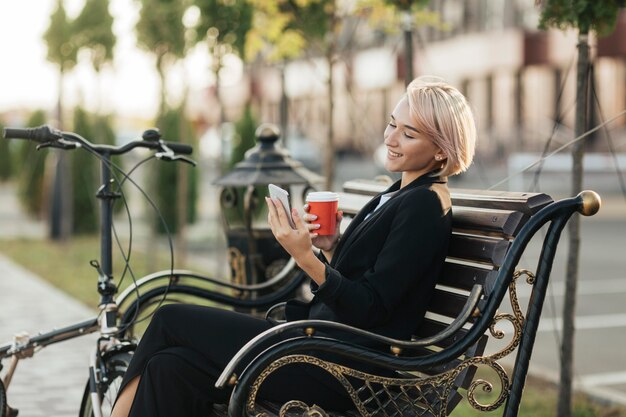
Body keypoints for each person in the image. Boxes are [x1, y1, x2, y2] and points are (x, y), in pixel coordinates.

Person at [110, 76, 477, 417]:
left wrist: (304, 257)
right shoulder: (402, 193)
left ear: (441, 151)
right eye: (392, 123)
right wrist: (330, 248)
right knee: (169, 367)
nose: (391, 138)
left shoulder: (425, 204)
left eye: (408, 134)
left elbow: (372, 309)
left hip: (341, 368)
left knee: (169, 318)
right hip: (318, 349)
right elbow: (372, 284)